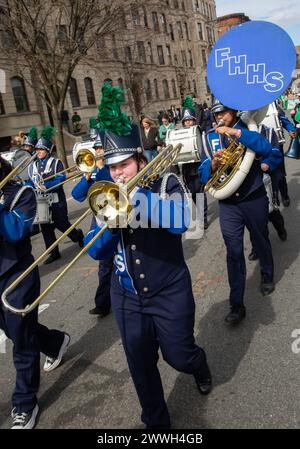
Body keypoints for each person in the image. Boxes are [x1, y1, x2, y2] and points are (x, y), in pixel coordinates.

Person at [83, 122, 212, 429]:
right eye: (112, 168)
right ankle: (157, 423)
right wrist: (110, 224)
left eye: (124, 165)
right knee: (141, 367)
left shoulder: (164, 182)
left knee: (179, 356)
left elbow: (185, 223)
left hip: (168, 290)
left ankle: (199, 363)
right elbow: (94, 251)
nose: (118, 174)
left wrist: (139, 197)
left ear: (140, 160)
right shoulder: (106, 195)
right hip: (127, 296)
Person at [0, 156, 70, 429]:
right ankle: (55, 343)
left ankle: (25, 404)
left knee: (22, 340)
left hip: (17, 274)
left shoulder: (22, 192)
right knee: (16, 330)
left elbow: (17, 231)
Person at [198, 100, 283, 325]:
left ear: (234, 112)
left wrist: (234, 132)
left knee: (260, 238)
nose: (219, 117)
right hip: (228, 202)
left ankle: (266, 273)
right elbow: (201, 172)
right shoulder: (209, 137)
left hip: (253, 197)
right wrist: (213, 166)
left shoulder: (248, 128)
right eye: (216, 113)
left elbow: (265, 148)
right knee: (233, 251)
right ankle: (236, 303)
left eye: (223, 113)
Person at [27, 126, 84, 264]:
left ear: (47, 150)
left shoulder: (56, 162)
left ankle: (77, 235)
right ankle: (53, 252)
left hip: (55, 197)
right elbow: (29, 181)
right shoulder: (32, 166)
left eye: (41, 150)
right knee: (45, 227)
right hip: (41, 199)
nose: (38, 152)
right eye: (37, 150)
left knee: (61, 223)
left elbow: (60, 179)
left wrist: (47, 186)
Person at [72, 130, 113, 317]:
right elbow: (77, 195)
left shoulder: (113, 166)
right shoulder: (93, 172)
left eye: (101, 147)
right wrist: (87, 176)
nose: (98, 151)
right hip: (100, 220)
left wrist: (102, 168)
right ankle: (103, 304)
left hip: (120, 217)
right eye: (96, 148)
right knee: (104, 265)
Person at [180, 104, 208, 229]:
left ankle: (203, 217)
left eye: (190, 120)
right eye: (186, 121)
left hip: (198, 168)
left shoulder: (200, 131)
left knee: (200, 192)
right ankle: (201, 213)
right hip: (187, 169)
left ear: (194, 120)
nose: (188, 123)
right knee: (193, 194)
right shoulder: (180, 134)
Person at [275, 104, 297, 206]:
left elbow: (284, 120)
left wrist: (291, 129)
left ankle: (284, 195)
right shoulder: (249, 106)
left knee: (279, 174)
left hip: (276, 144)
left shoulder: (274, 105)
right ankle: (273, 199)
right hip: (257, 146)